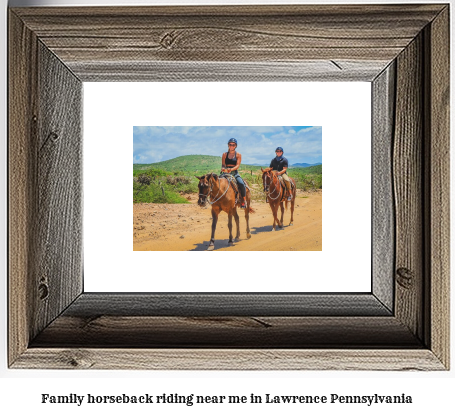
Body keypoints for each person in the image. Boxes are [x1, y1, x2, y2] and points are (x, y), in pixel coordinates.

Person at [221, 138, 247, 208]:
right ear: (228, 145)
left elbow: (237, 165)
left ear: (235, 146)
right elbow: (223, 164)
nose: (231, 146)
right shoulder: (224, 154)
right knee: (216, 182)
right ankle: (213, 198)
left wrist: (231, 169)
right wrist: (223, 168)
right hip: (225, 173)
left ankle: (243, 201)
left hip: (234, 173)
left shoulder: (238, 155)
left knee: (241, 184)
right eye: (230, 144)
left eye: (233, 145)